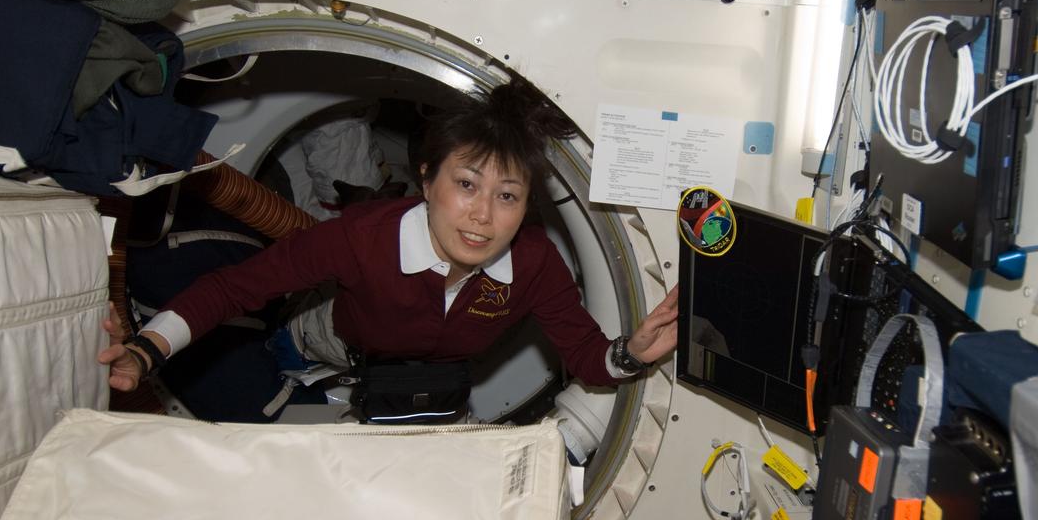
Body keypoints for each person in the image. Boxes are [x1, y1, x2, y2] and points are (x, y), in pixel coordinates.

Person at [98, 75, 680, 411]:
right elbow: (234, 289)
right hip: (331, 336)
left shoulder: (533, 263)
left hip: (443, 376)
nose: (482, 216)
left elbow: (586, 357)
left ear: (527, 206)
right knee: (294, 338)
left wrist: (630, 352)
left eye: (507, 196)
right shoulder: (364, 237)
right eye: (466, 185)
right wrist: (148, 350)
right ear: (427, 179)